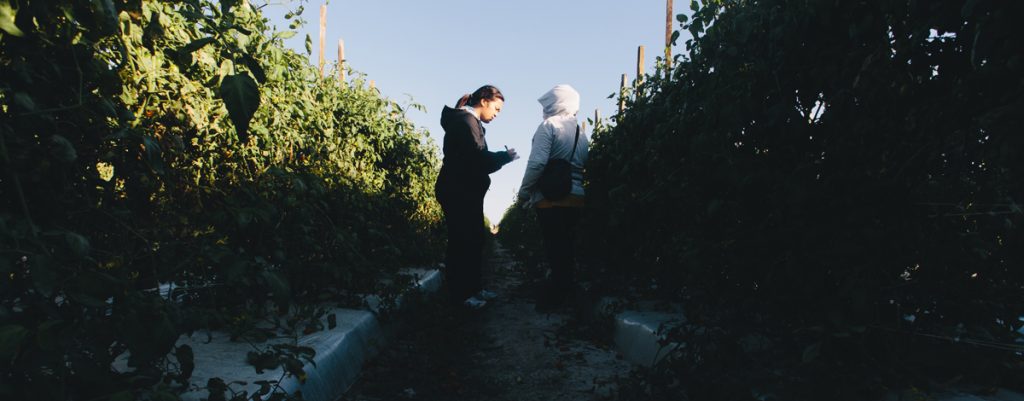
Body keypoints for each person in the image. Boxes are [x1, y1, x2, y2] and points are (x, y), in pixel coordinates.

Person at [436, 85, 519, 309]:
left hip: (464, 191)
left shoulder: (470, 123)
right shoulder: (465, 123)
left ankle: (472, 289)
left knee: (473, 240)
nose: (497, 114)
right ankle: (461, 296)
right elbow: (476, 159)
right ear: (484, 101)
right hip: (458, 191)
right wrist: (505, 157)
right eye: (497, 108)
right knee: (462, 241)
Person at [516, 84, 588, 310]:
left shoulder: (549, 126)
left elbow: (537, 163)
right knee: (567, 248)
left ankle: (555, 299)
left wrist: (524, 192)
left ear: (555, 104)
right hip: (576, 197)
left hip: (551, 198)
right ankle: (569, 297)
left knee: (554, 249)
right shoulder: (581, 132)